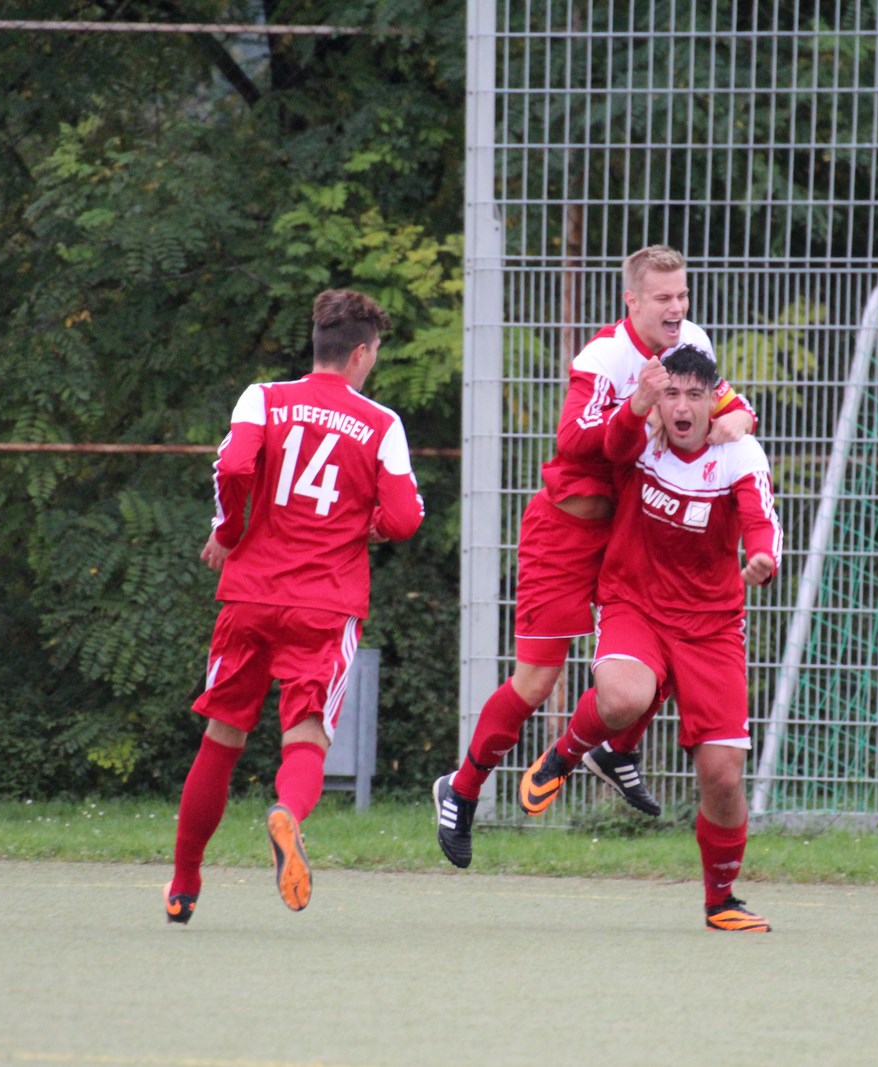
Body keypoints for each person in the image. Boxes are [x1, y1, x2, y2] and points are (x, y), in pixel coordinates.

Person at [434, 245, 755, 868]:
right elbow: (574, 442)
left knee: (666, 638)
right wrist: (635, 406)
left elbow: (731, 405)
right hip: (566, 532)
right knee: (536, 680)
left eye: (682, 295)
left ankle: (612, 749)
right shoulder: (604, 357)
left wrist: (735, 421)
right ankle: (463, 789)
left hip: (629, 535)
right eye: (663, 297)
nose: (677, 308)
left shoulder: (691, 343)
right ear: (631, 300)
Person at [167, 289, 423, 920]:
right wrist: (371, 525)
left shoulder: (264, 398)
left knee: (221, 738)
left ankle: (183, 885)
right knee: (306, 738)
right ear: (361, 354)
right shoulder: (382, 424)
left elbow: (231, 467)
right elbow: (407, 518)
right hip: (325, 605)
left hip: (250, 595)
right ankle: (286, 812)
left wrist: (228, 534)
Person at [518, 343, 783, 932]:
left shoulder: (739, 452)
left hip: (712, 627)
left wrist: (762, 556)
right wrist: (636, 410)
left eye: (695, 395)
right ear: (657, 400)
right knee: (621, 697)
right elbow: (609, 444)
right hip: (635, 603)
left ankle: (721, 902)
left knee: (722, 777)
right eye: (672, 394)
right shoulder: (641, 442)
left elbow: (761, 519)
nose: (682, 407)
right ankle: (565, 757)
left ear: (716, 400)